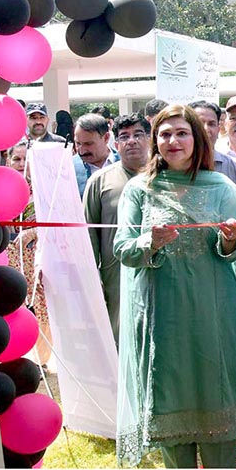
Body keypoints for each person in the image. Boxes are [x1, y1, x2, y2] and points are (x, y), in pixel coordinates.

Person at [113, 104, 236, 468]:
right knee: (171, 421)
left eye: (182, 133)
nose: (173, 141)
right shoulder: (139, 190)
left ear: (197, 138)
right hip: (161, 322)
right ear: (155, 140)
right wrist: (149, 243)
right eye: (165, 133)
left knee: (218, 419)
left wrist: (232, 239)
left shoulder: (222, 187)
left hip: (214, 316)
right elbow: (122, 249)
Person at [83, 113, 151, 344]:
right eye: (124, 136)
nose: (131, 141)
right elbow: (88, 235)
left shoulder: (166, 178)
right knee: (121, 341)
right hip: (117, 278)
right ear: (115, 143)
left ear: (150, 139)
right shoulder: (100, 182)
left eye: (138, 134)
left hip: (159, 273)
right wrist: (93, 279)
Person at [6, 139, 53, 366]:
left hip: (37, 255)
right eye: (16, 159)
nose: (21, 164)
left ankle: (40, 359)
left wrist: (32, 232)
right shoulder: (1, 187)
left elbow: (53, 222)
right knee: (13, 301)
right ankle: (14, 351)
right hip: (9, 255)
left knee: (40, 303)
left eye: (26, 159)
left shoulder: (46, 189)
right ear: (8, 160)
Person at [190, 100, 236, 186]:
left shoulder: (234, 167)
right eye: (199, 124)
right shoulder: (175, 165)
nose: (206, 129)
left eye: (211, 124)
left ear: (218, 129)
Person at [73, 113, 119, 197]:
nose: (82, 151)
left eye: (88, 144)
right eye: (78, 143)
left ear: (106, 138)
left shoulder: (125, 164)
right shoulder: (69, 169)